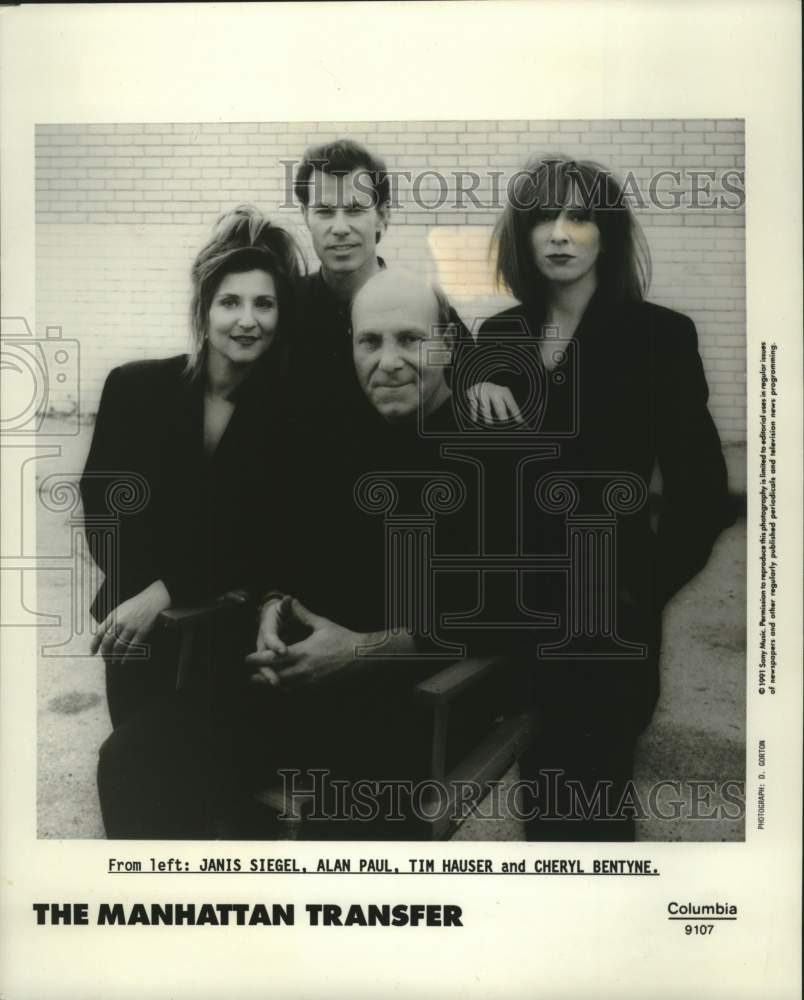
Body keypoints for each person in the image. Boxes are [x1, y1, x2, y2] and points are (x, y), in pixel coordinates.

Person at [459, 156, 732, 840]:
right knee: (539, 807)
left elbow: (701, 495)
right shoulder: (498, 340)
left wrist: (635, 592)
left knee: (596, 807)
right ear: (521, 235)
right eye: (544, 218)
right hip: (517, 630)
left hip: (608, 632)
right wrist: (470, 387)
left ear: (606, 235)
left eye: (579, 217)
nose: (560, 233)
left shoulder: (659, 337)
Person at [85, 205, 303, 835]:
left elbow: (265, 539)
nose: (247, 320)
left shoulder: (287, 419)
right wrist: (138, 597)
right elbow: (105, 509)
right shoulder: (134, 388)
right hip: (137, 633)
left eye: (264, 305)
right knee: (143, 776)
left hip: (230, 641)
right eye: (230, 302)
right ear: (204, 310)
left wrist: (168, 588)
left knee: (162, 773)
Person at [285, 138, 468, 426]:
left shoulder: (420, 306)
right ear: (305, 216)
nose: (340, 228)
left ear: (383, 216)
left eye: (356, 210)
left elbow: (471, 384)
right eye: (324, 211)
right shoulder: (285, 307)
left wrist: (488, 383)